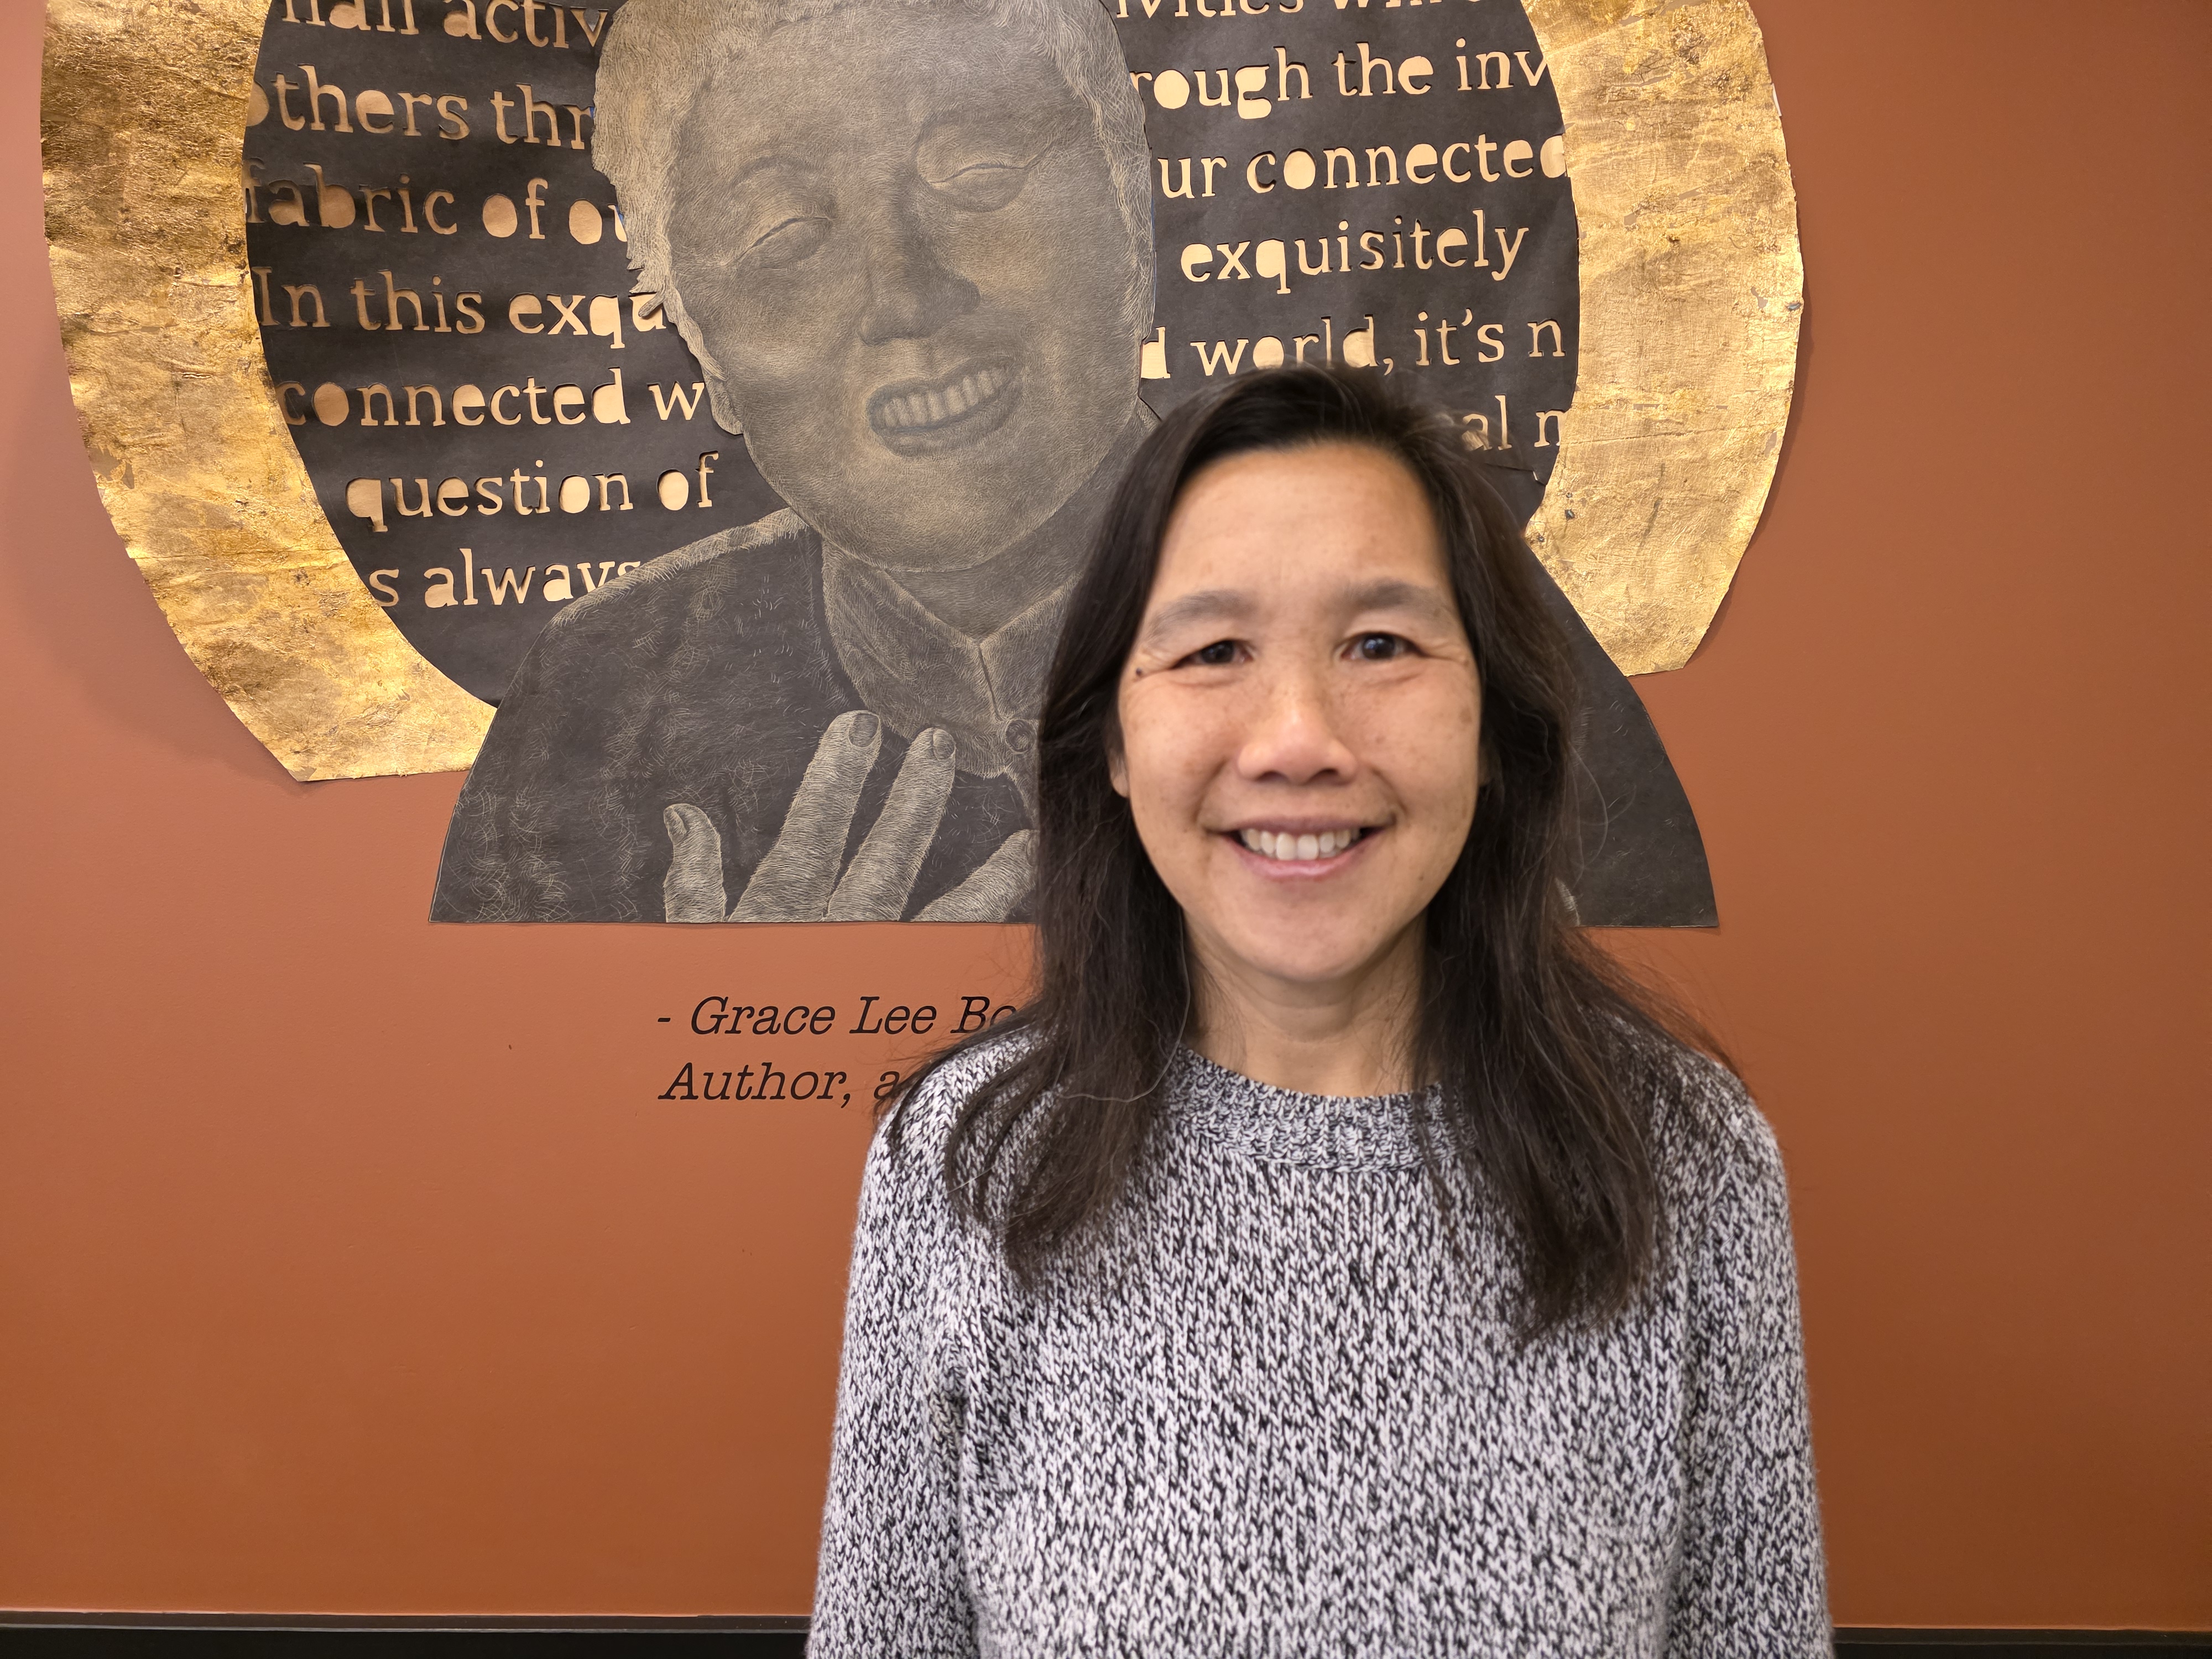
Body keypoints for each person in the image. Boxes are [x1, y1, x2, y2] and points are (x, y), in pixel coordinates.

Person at [809, 367, 1827, 1653]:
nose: (1295, 738)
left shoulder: (1684, 1158)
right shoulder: (966, 1163)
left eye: (1380, 645)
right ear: (1113, 740)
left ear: (1489, 725)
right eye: (1213, 651)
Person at [429, 0, 1713, 927]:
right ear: (700, 343)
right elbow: (523, 1156)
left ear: (1129, 216)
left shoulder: (1423, 606)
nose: (908, 294)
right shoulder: (598, 709)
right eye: (781, 238)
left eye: (980, 174)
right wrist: (743, 1033)